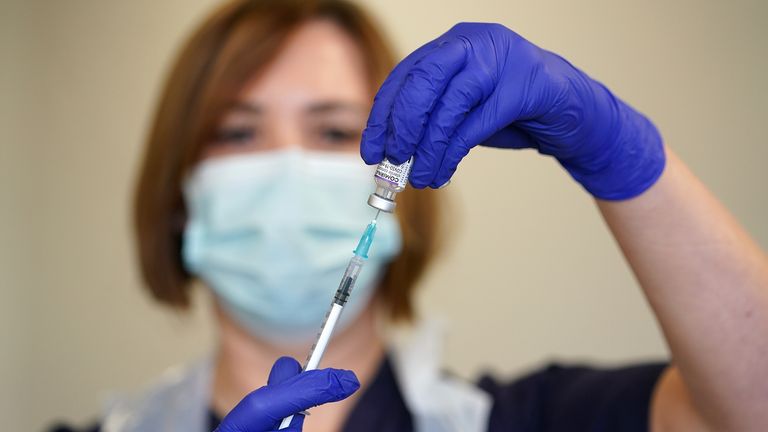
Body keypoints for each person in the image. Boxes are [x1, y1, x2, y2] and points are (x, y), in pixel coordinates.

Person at [52, 1, 768, 431]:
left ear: (394, 186)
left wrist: (623, 155)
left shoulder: (524, 421)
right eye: (238, 133)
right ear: (179, 195)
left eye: (334, 132)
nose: (288, 167)